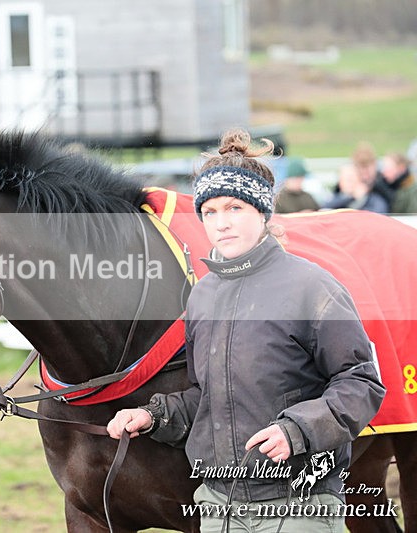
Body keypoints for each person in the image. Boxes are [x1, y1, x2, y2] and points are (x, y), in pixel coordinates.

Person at [106, 129, 385, 532]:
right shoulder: (202, 296)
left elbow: (361, 382)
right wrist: (152, 415)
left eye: (235, 208)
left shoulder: (312, 287)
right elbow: (206, 397)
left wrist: (297, 430)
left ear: (262, 212)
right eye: (211, 212)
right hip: (218, 506)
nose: (222, 223)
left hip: (300, 506)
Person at [321, 164, 389, 214]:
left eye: (351, 179)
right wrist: (351, 198)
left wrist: (362, 199)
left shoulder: (373, 200)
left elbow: (379, 213)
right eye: (346, 179)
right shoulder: (334, 199)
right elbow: (324, 209)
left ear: (359, 180)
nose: (349, 183)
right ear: (340, 183)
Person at [352, 142, 393, 211]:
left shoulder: (383, 182)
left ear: (374, 165)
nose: (364, 173)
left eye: (367, 169)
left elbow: (392, 202)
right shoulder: (351, 183)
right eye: (361, 168)